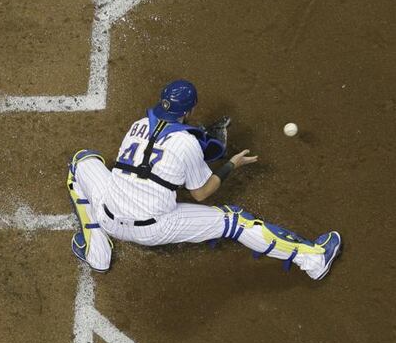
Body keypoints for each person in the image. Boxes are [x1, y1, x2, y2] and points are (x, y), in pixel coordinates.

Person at [67, 79, 341, 280]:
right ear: (188, 111)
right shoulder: (187, 144)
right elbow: (201, 193)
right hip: (154, 229)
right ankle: (314, 259)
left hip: (106, 215)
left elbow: (152, 160)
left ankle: (97, 252)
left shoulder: (138, 124)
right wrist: (231, 164)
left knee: (82, 161)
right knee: (235, 221)